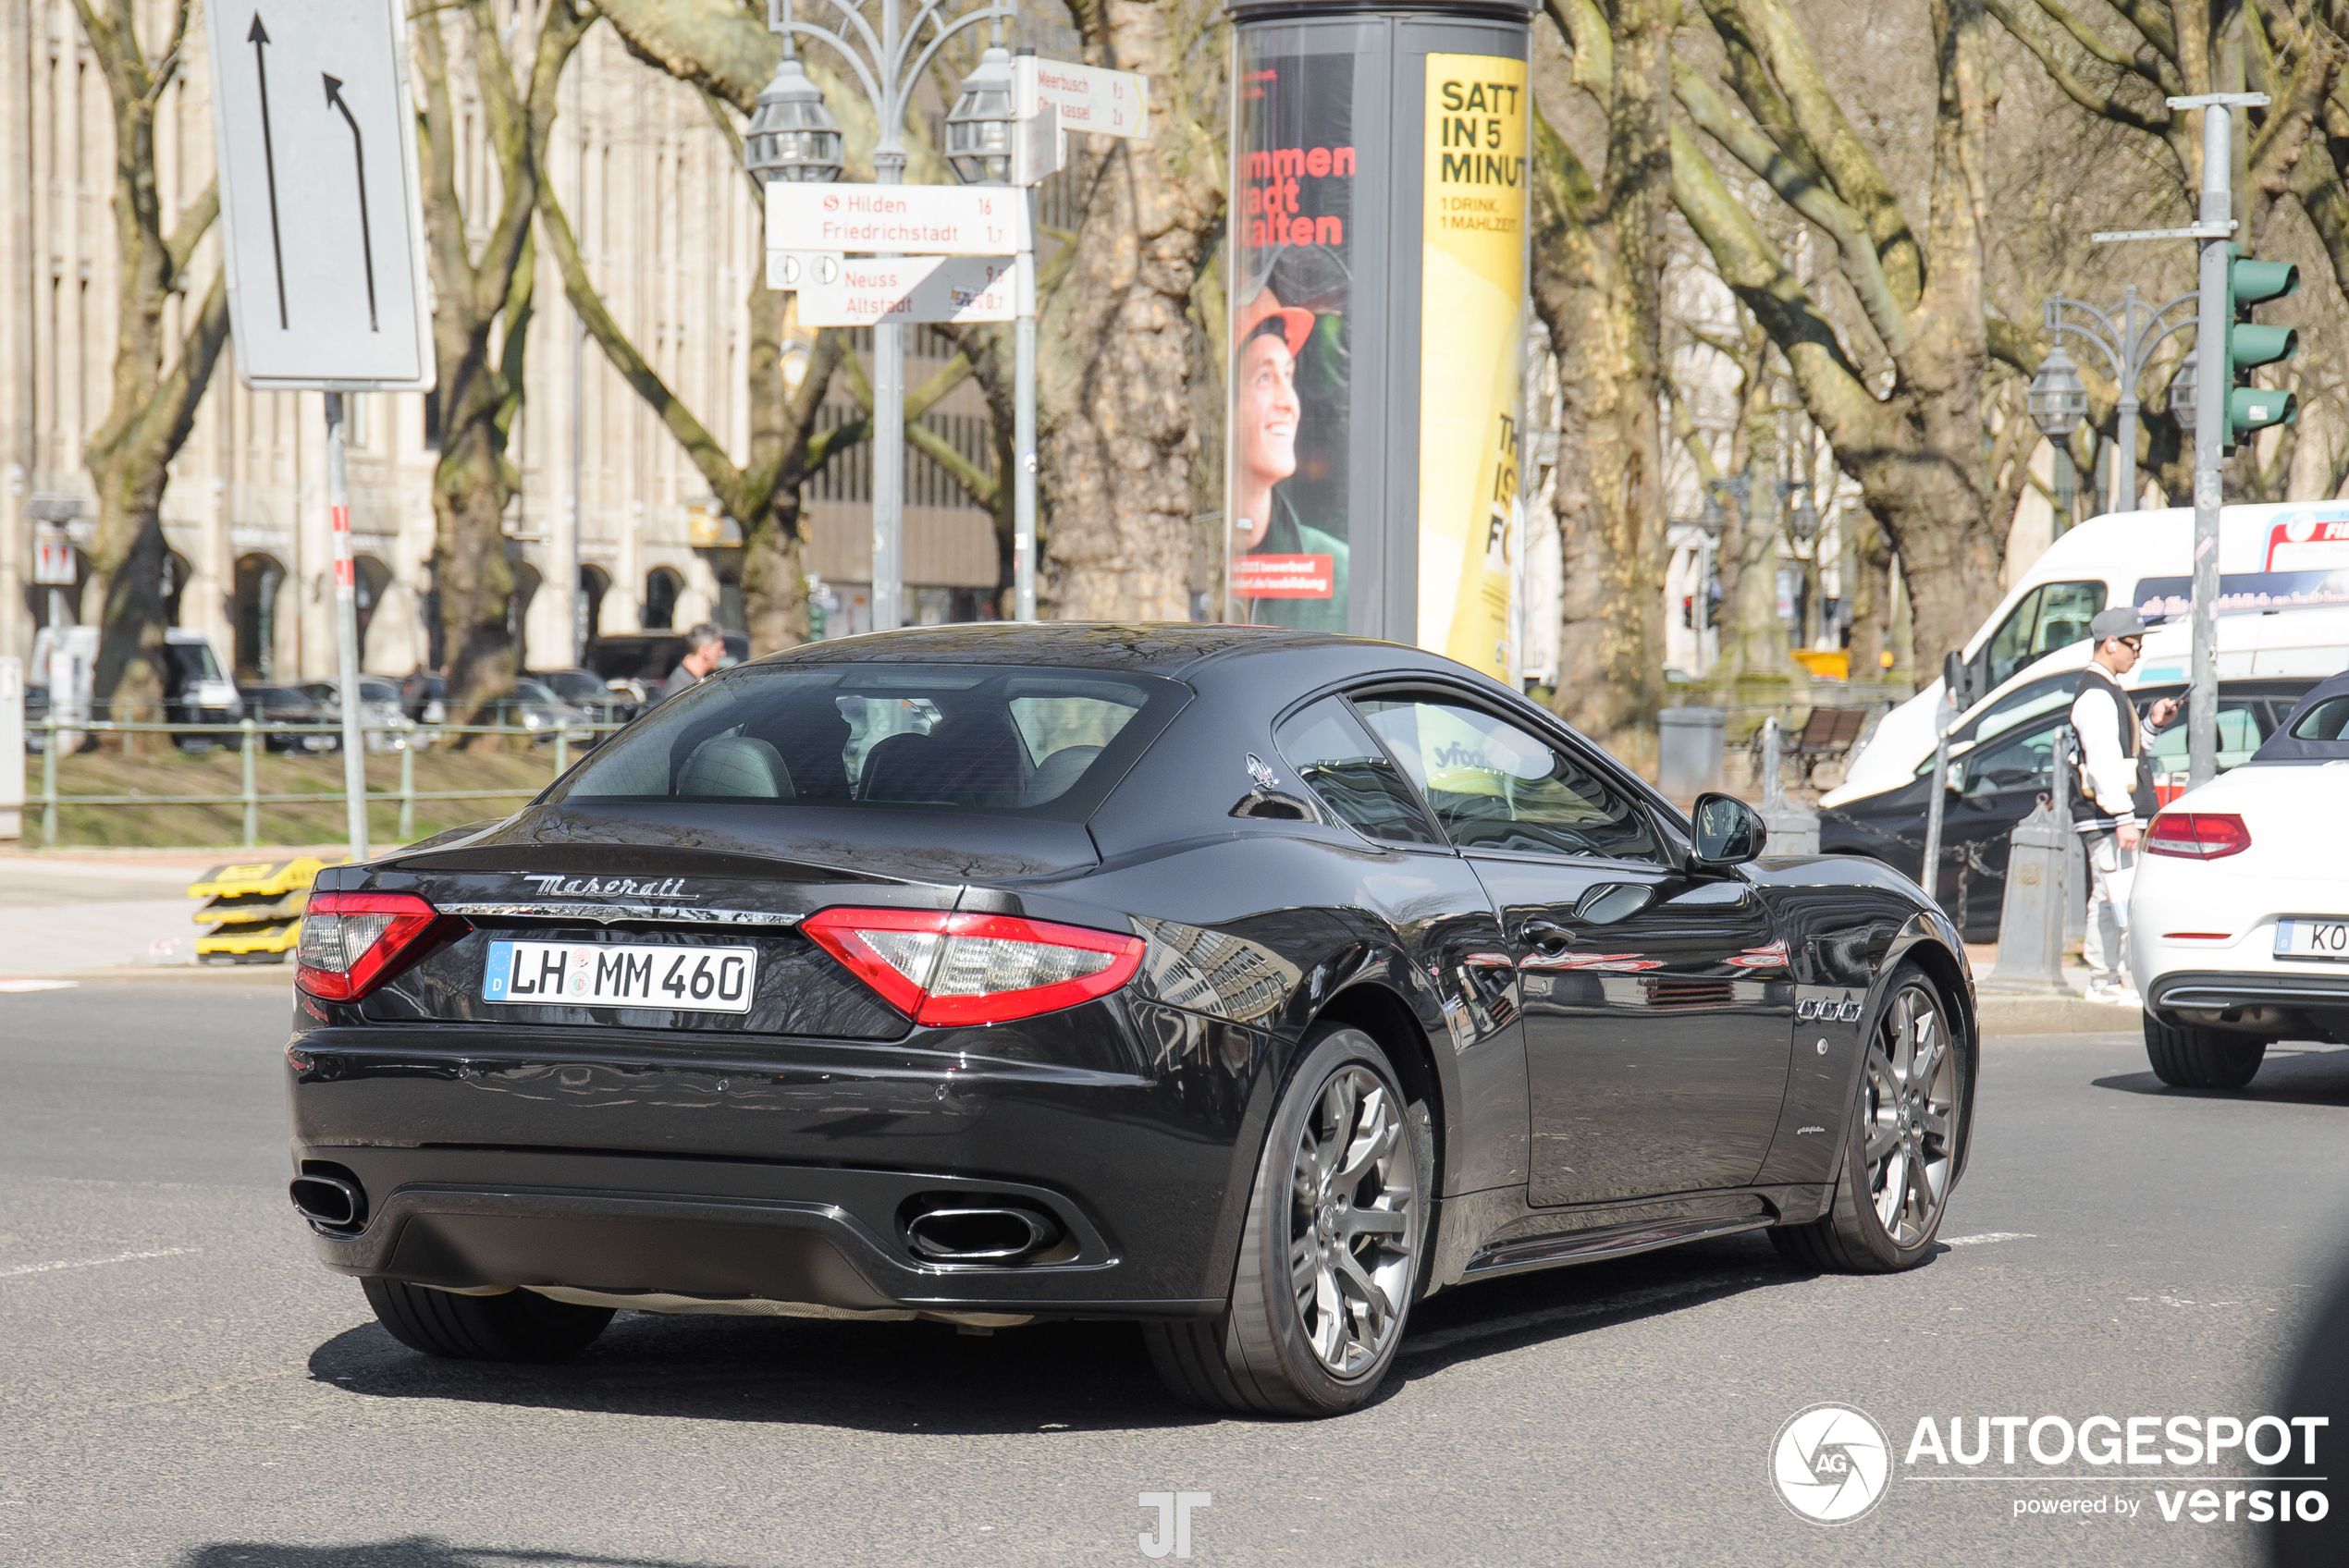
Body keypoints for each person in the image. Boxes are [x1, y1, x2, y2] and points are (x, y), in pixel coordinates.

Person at [2069, 607, 2181, 1005]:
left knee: (2116, 894)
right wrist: (2122, 818)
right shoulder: (2097, 694)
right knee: (2110, 894)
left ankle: (2110, 976)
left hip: (2113, 816)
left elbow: (2126, 754)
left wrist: (2151, 724)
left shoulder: (2106, 689)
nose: (2138, 652)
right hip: (2108, 818)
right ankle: (2102, 979)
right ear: (2110, 643)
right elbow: (2102, 763)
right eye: (2134, 645)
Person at [1231, 288, 1347, 632]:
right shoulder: (1171, 558)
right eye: (1264, 378)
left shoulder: (1337, 574)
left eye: (1289, 375)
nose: (1289, 402)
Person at [654, 623, 726, 707]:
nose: (723, 654)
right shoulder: (681, 688)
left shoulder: (689, 680)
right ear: (705, 651)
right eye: (719, 649)